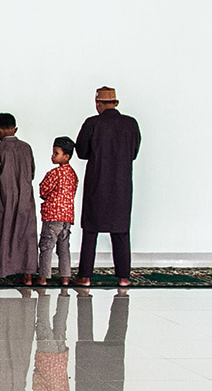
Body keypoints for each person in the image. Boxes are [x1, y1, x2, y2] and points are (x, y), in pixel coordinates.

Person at [75, 87, 141, 287]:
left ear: (97, 103)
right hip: (122, 185)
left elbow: (81, 152)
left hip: (97, 183)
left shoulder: (92, 123)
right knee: (121, 231)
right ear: (116, 103)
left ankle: (85, 276)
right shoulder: (131, 124)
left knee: (90, 230)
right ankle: (123, 277)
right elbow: (134, 152)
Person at [0, 113, 37, 285]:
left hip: (4, 198)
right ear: (15, 129)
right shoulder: (26, 148)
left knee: (0, 232)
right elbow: (32, 173)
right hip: (25, 198)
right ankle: (28, 276)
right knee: (26, 234)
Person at [37, 137, 78, 286]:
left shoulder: (54, 173)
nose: (52, 156)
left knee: (46, 246)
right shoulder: (73, 174)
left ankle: (43, 277)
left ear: (66, 156)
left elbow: (43, 191)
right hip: (67, 217)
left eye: (56, 153)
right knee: (64, 248)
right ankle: (65, 277)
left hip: (52, 216)